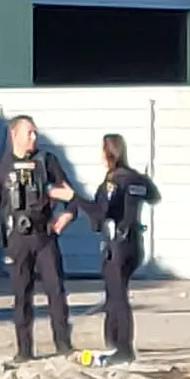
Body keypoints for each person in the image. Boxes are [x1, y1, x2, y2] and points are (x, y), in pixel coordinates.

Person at [50, 133, 160, 364]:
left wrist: (74, 197)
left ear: (107, 152)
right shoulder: (135, 179)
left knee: (117, 297)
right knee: (114, 295)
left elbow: (100, 213)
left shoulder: (114, 181)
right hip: (133, 244)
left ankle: (123, 348)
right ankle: (113, 343)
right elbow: (153, 196)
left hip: (117, 245)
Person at [0, 115, 75, 361]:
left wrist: (67, 215)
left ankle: (63, 345)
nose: (34, 137)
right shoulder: (1, 168)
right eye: (29, 132)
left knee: (56, 290)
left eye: (35, 133)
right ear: (14, 135)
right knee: (22, 295)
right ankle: (25, 351)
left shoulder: (46, 161)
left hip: (44, 237)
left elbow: (70, 195)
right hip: (17, 240)